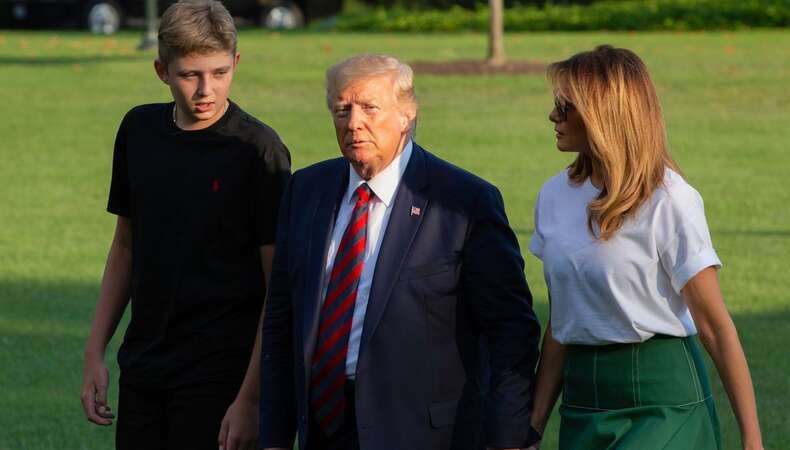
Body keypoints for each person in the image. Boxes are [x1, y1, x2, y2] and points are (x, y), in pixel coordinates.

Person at [259, 53, 541, 450]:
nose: (354, 122)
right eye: (342, 110)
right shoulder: (306, 191)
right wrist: (273, 436)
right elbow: (281, 320)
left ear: (407, 114)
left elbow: (511, 331)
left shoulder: (463, 202)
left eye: (369, 108)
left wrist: (507, 438)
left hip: (425, 435)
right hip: (323, 428)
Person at [527, 45, 763, 450]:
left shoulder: (670, 201)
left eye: (565, 107)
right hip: (584, 402)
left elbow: (714, 325)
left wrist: (752, 439)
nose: (553, 116)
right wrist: (531, 428)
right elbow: (562, 323)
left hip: (662, 399)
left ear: (604, 115)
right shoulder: (554, 195)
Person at [79, 2, 291, 449]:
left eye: (218, 72)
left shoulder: (260, 152)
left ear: (236, 62)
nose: (205, 90)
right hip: (144, 369)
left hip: (222, 378)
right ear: (161, 70)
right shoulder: (138, 131)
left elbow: (279, 288)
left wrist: (251, 399)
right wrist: (95, 351)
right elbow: (125, 247)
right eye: (190, 75)